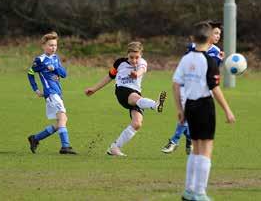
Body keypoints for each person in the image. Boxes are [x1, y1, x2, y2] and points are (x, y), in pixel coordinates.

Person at [173, 21, 235, 201]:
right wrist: (227, 110)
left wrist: (179, 109)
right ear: (210, 39)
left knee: (195, 149)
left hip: (190, 106)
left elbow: (176, 85)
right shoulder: (209, 61)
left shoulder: (186, 59)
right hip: (204, 106)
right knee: (206, 148)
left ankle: (189, 190)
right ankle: (200, 193)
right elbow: (215, 88)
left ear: (193, 38)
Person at [84, 41, 167, 157]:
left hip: (136, 94)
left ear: (141, 55)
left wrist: (136, 74)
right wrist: (94, 89)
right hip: (122, 91)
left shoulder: (142, 63)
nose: (134, 60)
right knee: (135, 98)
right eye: (131, 57)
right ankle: (155, 105)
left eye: (136, 57)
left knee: (137, 123)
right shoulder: (119, 63)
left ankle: (115, 148)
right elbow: (109, 77)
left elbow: (141, 70)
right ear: (127, 54)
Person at [161, 21, 224, 155]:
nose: (218, 36)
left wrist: (220, 61)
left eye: (219, 33)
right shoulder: (192, 47)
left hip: (204, 90)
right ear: (207, 34)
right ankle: (176, 141)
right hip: (187, 88)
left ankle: (183, 140)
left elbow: (213, 72)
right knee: (188, 116)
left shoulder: (217, 52)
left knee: (190, 118)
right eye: (216, 33)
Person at [27, 31, 76, 154]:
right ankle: (65, 146)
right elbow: (30, 73)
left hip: (58, 92)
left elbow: (64, 74)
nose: (53, 48)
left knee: (61, 121)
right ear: (43, 46)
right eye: (50, 45)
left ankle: (35, 138)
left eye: (55, 45)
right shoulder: (40, 60)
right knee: (62, 118)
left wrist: (55, 68)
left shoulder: (55, 58)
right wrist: (36, 89)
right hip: (50, 92)